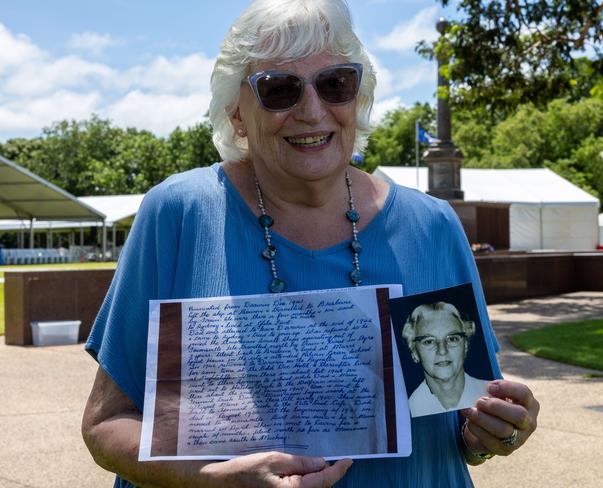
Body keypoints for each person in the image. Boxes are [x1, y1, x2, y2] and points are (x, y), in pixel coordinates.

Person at [81, 0, 540, 486]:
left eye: (334, 83)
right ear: (236, 112)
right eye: (279, 89)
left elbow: (459, 418)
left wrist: (493, 431)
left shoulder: (432, 226)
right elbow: (105, 423)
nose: (312, 110)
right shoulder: (179, 214)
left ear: (356, 95)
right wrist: (211, 478)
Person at [402, 302, 489, 416]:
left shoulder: (489, 392)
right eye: (428, 341)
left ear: (466, 345)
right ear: (414, 352)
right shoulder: (406, 410)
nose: (442, 351)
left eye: (452, 339)